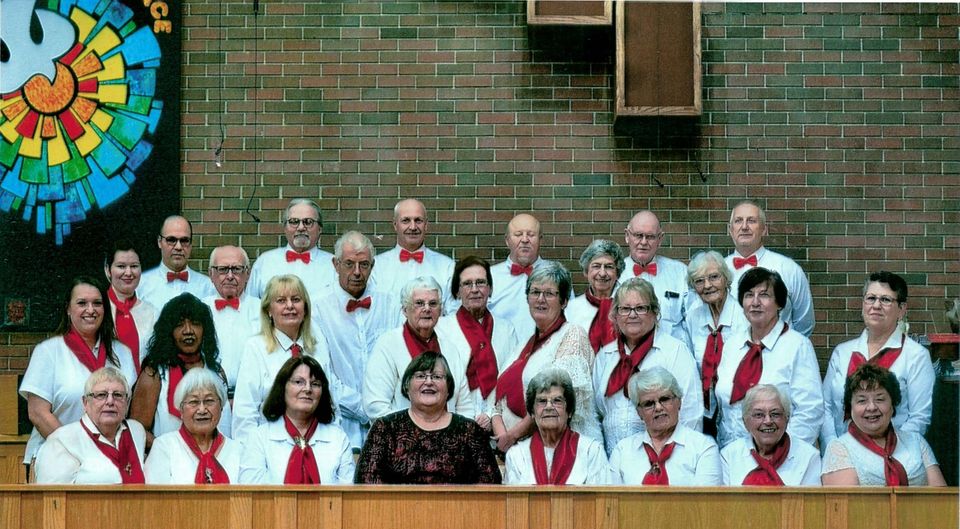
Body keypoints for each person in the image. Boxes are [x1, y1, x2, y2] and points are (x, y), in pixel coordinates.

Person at [19, 277, 137, 471]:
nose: (90, 310)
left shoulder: (122, 353)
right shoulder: (49, 351)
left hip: (111, 461)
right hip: (58, 457)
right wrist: (80, 451)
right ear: (68, 308)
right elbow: (38, 413)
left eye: (97, 303)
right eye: (82, 303)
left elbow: (126, 409)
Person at [820, 271, 934, 450]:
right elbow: (825, 407)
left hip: (892, 457)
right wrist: (832, 447)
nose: (876, 305)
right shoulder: (842, 353)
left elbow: (919, 418)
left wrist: (885, 454)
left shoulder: (916, 356)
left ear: (902, 309)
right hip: (842, 453)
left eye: (886, 300)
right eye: (871, 298)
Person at [493, 262, 600, 452]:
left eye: (549, 293)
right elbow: (497, 402)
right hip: (517, 451)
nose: (540, 299)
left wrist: (512, 436)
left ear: (564, 301)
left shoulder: (573, 335)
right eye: (535, 292)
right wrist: (503, 437)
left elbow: (556, 400)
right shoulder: (523, 344)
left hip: (561, 450)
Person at [714, 267, 823, 448]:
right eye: (749, 295)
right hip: (732, 455)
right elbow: (725, 408)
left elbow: (810, 412)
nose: (755, 302)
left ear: (779, 303)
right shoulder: (732, 345)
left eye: (764, 295)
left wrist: (778, 454)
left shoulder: (797, 346)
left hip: (781, 459)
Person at [313, 231, 403, 450]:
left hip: (387, 420)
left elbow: (399, 359)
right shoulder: (318, 307)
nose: (356, 272)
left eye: (364, 265)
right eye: (349, 264)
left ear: (372, 266)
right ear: (335, 264)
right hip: (339, 422)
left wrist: (380, 408)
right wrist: (367, 408)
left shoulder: (390, 303)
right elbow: (322, 371)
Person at [593, 278, 702, 455]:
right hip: (613, 461)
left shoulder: (674, 351)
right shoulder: (605, 357)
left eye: (640, 308)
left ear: (654, 312)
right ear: (616, 315)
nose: (632, 315)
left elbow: (691, 413)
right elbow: (597, 413)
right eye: (625, 309)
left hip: (664, 458)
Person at [355, 352, 501, 484]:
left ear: (449, 387)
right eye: (420, 376)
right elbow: (366, 482)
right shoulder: (385, 428)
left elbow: (490, 483)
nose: (429, 382)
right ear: (407, 385)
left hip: (457, 512)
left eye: (437, 376)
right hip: (396, 512)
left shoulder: (470, 430)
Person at [233, 274, 337, 444]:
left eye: (296, 299)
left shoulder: (318, 347)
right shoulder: (255, 347)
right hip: (270, 447)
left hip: (316, 444)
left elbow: (331, 403)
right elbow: (245, 414)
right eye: (281, 300)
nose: (290, 306)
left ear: (305, 308)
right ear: (268, 310)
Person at [129, 293, 232, 449]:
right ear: (168, 331)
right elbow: (137, 430)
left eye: (195, 323)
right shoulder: (154, 374)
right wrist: (170, 454)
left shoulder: (216, 372)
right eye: (179, 325)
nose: (188, 330)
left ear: (205, 329)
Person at [362, 277, 473, 420]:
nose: (427, 309)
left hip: (449, 438)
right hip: (402, 438)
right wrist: (413, 437)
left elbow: (464, 406)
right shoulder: (388, 345)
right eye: (419, 303)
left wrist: (456, 435)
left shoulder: (450, 349)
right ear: (404, 310)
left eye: (433, 304)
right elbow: (376, 406)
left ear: (440, 310)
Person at [821, 364, 945, 486]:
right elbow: (846, 504)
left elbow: (941, 499)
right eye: (862, 401)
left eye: (880, 399)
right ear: (850, 407)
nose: (871, 407)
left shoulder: (916, 441)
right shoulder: (838, 448)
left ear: (893, 404)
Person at [239, 356, 354, 484]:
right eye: (299, 382)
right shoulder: (259, 437)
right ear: (282, 388)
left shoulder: (338, 438)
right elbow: (250, 496)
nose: (308, 389)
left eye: (315, 384)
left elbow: (348, 497)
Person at [435, 256, 519, 430]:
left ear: (489, 289)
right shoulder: (442, 328)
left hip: (497, 424)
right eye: (467, 284)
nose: (474, 289)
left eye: (480, 283)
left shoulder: (506, 329)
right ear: (457, 291)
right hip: (454, 423)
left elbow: (511, 379)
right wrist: (467, 418)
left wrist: (491, 417)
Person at [609, 367, 722, 486]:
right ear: (639, 412)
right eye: (649, 404)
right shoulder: (622, 451)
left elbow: (707, 503)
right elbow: (612, 501)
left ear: (679, 402)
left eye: (664, 399)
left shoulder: (703, 448)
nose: (658, 407)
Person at [34, 367, 146, 484]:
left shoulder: (136, 431)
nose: (110, 401)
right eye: (101, 395)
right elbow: (52, 499)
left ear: (127, 403)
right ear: (85, 403)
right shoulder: (62, 441)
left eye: (118, 395)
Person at [504, 369, 613, 484]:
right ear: (532, 412)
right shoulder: (517, 455)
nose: (549, 407)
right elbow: (514, 501)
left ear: (569, 411)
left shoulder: (591, 452)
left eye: (557, 401)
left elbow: (601, 501)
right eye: (542, 401)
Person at [682, 251, 748, 436]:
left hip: (738, 410)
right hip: (704, 411)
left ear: (726, 279)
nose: (707, 285)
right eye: (699, 281)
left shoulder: (744, 317)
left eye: (714, 277)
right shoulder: (693, 318)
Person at [725, 200, 815, 336]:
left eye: (751, 221)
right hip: (731, 354)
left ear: (764, 229)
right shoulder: (717, 271)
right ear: (730, 230)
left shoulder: (788, 268)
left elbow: (805, 323)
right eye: (738, 221)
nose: (744, 227)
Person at [145, 368, 241, 484]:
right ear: (181, 409)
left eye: (209, 401)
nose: (202, 410)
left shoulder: (237, 450)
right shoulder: (164, 447)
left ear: (221, 406)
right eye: (194, 402)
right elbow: (157, 498)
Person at [720, 384, 821, 486]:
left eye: (775, 414)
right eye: (759, 415)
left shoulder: (809, 457)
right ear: (745, 422)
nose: (768, 421)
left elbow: (811, 501)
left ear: (787, 418)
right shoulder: (729, 456)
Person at [368, 199, 456, 311]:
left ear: (426, 225)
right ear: (395, 225)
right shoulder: (376, 267)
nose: (413, 227)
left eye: (418, 220)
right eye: (406, 220)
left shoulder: (447, 267)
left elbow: (453, 313)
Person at [617, 211, 690, 341]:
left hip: (671, 355)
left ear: (660, 239)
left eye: (650, 237)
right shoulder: (614, 274)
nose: (643, 242)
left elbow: (692, 321)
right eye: (638, 235)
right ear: (627, 236)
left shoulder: (680, 272)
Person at [247, 198, 337, 301]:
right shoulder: (264, 262)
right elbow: (251, 307)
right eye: (294, 222)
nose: (301, 227)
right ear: (285, 228)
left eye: (308, 222)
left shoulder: (334, 266)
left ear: (320, 229)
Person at [488, 213, 559, 340]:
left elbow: (569, 317)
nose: (525, 240)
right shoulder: (489, 277)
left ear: (540, 240)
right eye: (518, 234)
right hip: (502, 356)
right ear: (507, 240)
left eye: (531, 235)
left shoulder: (557, 275)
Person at [202, 245, 260, 393]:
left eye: (236, 269)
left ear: (247, 273)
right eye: (222, 269)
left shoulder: (263, 311)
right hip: (209, 395)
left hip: (252, 396)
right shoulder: (199, 309)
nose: (229, 276)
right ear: (211, 274)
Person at [138, 215, 215, 310]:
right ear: (159, 241)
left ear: (191, 244)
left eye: (184, 240)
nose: (178, 247)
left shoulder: (207, 287)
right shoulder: (140, 286)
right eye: (171, 240)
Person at [104, 240, 157, 374]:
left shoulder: (152, 313)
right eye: (121, 266)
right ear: (107, 270)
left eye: (134, 266)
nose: (128, 273)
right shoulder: (97, 309)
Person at [566, 240, 624, 353]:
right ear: (586, 272)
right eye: (596, 266)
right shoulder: (570, 309)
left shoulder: (630, 306)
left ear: (618, 273)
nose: (602, 273)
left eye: (608, 267)